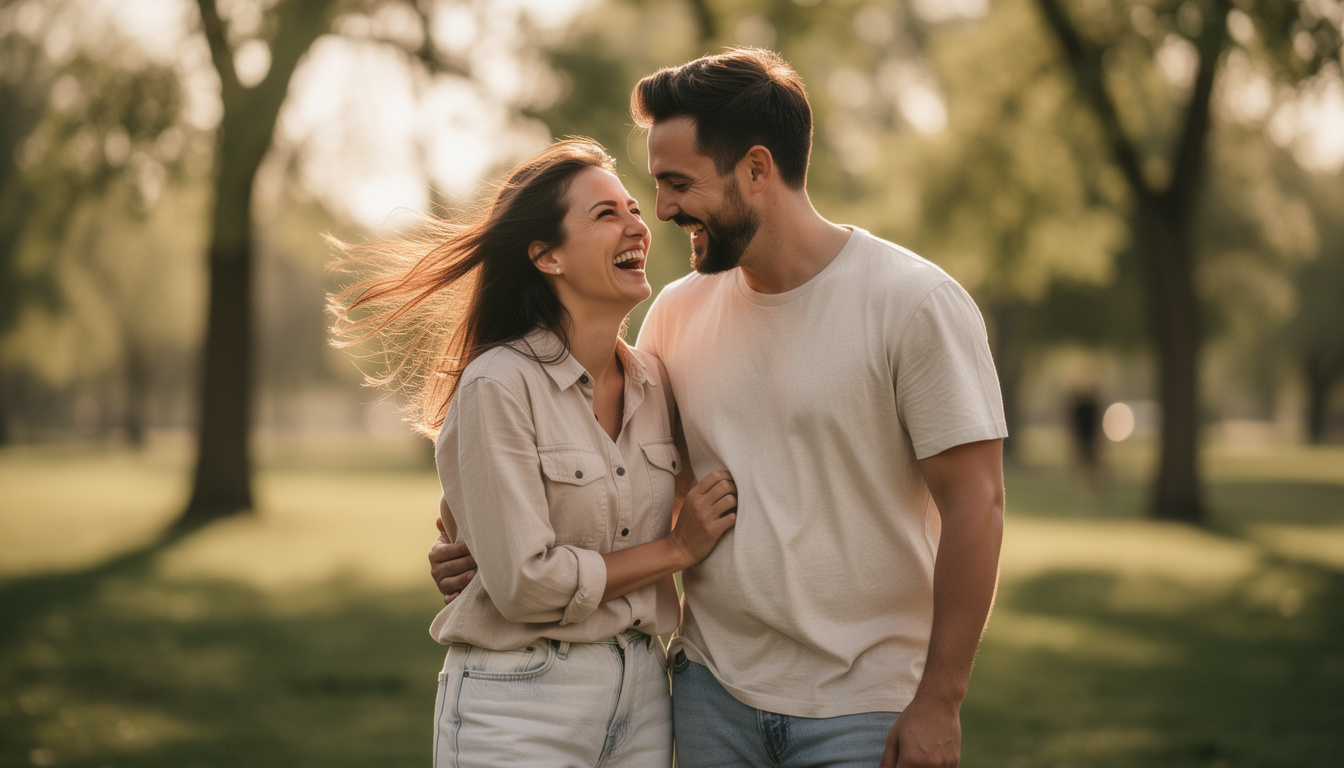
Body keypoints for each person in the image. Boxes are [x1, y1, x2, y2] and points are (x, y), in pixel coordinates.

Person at [432, 48, 1007, 768]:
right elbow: (624, 485)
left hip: (863, 708)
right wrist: (485, 545)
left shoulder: (913, 303)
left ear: (757, 170)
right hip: (709, 696)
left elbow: (976, 505)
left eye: (675, 185)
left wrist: (940, 700)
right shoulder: (673, 315)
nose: (663, 211)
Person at [332, 139, 738, 767]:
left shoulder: (659, 384)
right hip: (521, 699)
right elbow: (525, 584)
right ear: (546, 256)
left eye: (633, 207)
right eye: (606, 215)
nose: (638, 223)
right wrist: (675, 552)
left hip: (643, 694)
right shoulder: (499, 383)